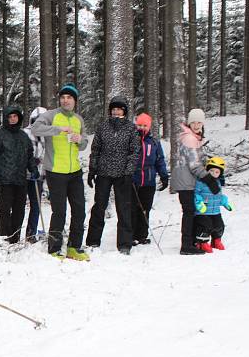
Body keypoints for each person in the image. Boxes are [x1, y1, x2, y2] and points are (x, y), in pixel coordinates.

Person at [30, 84, 90, 261]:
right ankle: (54, 248)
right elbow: (35, 129)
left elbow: (85, 143)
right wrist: (58, 129)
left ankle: (74, 247)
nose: (65, 100)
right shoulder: (51, 115)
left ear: (75, 101)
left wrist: (80, 140)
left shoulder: (79, 119)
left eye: (69, 98)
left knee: (79, 210)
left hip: (75, 172)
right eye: (63, 97)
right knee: (60, 211)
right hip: (55, 171)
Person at [85, 96, 139, 254]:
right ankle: (93, 241)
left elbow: (135, 151)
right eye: (114, 109)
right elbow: (95, 150)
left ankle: (124, 244)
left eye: (119, 109)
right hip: (103, 172)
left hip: (122, 175)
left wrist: (129, 171)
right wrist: (92, 169)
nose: (116, 112)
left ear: (124, 111)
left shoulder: (130, 128)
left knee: (124, 209)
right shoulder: (103, 127)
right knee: (99, 207)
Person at [0, 105, 36, 243]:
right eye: (10, 117)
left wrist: (33, 168)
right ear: (6, 118)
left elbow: (29, 155)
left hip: (20, 179)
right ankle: (6, 238)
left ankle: (15, 237)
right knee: (5, 210)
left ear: (19, 118)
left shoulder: (23, 136)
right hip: (4, 180)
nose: (13, 119)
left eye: (15, 116)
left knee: (19, 210)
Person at [171, 108, 218, 255]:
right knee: (189, 212)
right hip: (185, 181)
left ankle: (190, 242)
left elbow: (199, 160)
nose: (197, 125)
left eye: (199, 122)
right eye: (194, 122)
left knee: (190, 211)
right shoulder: (189, 138)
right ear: (189, 123)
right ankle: (186, 245)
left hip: (187, 180)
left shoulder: (194, 137)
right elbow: (194, 165)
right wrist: (209, 179)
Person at [131, 113, 169, 245]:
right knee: (133, 208)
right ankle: (131, 235)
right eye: (139, 125)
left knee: (145, 209)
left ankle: (142, 235)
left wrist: (164, 176)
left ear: (149, 127)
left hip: (148, 180)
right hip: (133, 180)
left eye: (144, 125)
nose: (142, 128)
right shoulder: (132, 140)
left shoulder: (154, 142)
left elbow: (160, 160)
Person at [194, 157, 233, 253]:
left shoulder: (218, 183)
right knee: (205, 226)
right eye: (211, 171)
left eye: (217, 172)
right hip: (203, 211)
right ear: (207, 170)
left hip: (215, 210)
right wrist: (199, 203)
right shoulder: (201, 182)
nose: (214, 174)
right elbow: (196, 193)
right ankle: (202, 243)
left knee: (219, 225)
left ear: (220, 173)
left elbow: (218, 195)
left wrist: (224, 202)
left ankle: (216, 240)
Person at [24, 107, 48, 242]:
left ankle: (31, 233)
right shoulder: (25, 133)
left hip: (37, 176)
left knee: (36, 205)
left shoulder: (46, 137)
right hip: (23, 175)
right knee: (19, 206)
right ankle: (12, 235)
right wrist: (30, 160)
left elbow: (47, 156)